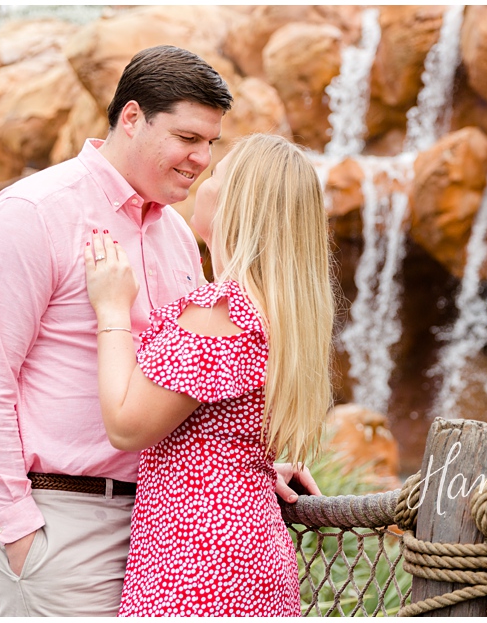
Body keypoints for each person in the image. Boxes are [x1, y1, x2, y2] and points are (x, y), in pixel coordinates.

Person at [0, 44, 315, 617]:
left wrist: (247, 462)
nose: (201, 158)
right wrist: (20, 532)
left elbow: (194, 385)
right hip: (64, 525)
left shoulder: (175, 233)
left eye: (211, 144)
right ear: (133, 117)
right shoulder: (33, 213)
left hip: (169, 537)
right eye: (188, 138)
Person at [83, 133, 333, 616]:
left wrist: (112, 307)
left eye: (219, 174)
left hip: (198, 561)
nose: (205, 175)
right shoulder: (278, 313)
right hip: (251, 549)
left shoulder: (221, 313)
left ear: (237, 204)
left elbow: (127, 425)